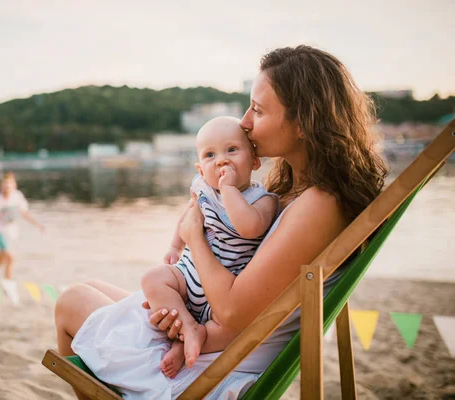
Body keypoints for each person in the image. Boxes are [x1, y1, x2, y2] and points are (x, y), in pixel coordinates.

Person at [54, 45, 388, 399]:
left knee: (71, 301)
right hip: (214, 339)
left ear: (303, 121)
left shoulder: (319, 204)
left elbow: (231, 311)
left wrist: (193, 238)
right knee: (93, 286)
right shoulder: (297, 193)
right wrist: (181, 310)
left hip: (214, 367)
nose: (245, 121)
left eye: (257, 110)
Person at [140, 116, 278, 378]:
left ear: (255, 161)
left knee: (231, 329)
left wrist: (228, 189)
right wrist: (174, 245)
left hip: (224, 289)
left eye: (232, 150)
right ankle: (188, 328)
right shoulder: (202, 189)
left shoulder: (263, 200)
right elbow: (188, 215)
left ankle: (196, 337)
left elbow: (249, 227)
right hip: (189, 273)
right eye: (210, 155)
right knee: (152, 278)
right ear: (201, 170)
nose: (221, 160)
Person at [0, 172, 45, 280]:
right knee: (10, 257)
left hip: (11, 233)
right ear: (0, 185)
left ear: (14, 185)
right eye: (4, 184)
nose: (7, 187)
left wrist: (38, 224)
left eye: (9, 184)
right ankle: (8, 282)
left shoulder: (17, 196)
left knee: (1, 257)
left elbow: (24, 213)